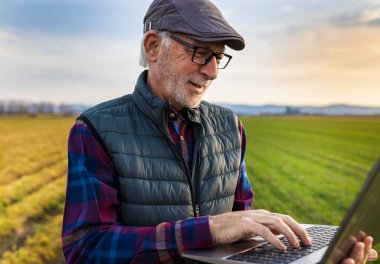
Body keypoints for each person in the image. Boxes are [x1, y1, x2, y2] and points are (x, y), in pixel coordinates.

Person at [61, 0, 378, 263]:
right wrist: (207, 229)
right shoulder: (96, 129)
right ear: (153, 46)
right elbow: (85, 248)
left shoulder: (230, 127)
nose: (212, 71)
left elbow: (244, 230)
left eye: (218, 57)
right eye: (200, 52)